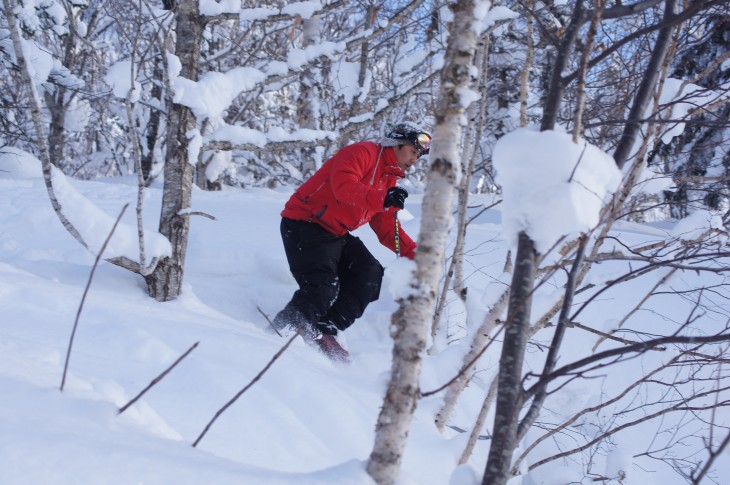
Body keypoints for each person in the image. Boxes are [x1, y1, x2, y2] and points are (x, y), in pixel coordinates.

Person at [271, 122, 432, 363]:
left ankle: (326, 328)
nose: (414, 160)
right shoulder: (363, 153)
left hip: (335, 232)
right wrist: (382, 198)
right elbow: (343, 187)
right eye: (412, 152)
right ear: (397, 145)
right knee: (322, 286)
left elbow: (385, 225)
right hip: (305, 223)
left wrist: (415, 255)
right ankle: (282, 331)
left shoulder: (388, 179)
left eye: (418, 156)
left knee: (369, 274)